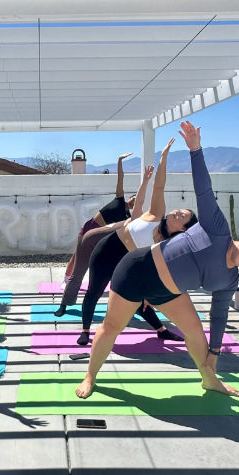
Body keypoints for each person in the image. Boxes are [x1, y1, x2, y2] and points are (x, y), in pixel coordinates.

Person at [75, 120, 239, 399]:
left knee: (195, 330)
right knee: (112, 327)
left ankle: (210, 379)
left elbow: (219, 316)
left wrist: (213, 353)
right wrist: (195, 150)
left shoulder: (229, 280)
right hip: (137, 270)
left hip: (168, 291)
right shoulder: (218, 229)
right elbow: (204, 190)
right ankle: (91, 376)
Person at [73, 138, 197, 345]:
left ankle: (161, 329)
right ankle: (85, 331)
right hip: (108, 251)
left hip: (128, 262)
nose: (176, 212)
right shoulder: (156, 214)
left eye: (182, 215)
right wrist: (163, 157)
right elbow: (160, 186)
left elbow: (159, 268)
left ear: (184, 228)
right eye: (178, 210)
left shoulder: (169, 245)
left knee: (138, 296)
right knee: (94, 290)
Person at [54, 162, 154, 315]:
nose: (135, 203)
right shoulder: (120, 203)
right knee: (78, 270)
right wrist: (141, 177)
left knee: (116, 276)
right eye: (134, 199)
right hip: (89, 237)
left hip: (104, 246)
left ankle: (124, 308)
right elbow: (133, 192)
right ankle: (64, 305)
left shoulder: (132, 218)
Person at [63, 152, 136, 283]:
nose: (133, 202)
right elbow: (121, 178)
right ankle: (66, 280)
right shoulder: (119, 200)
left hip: (100, 235)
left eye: (136, 202)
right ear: (129, 197)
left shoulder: (128, 217)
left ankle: (99, 281)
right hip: (90, 227)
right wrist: (119, 161)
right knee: (77, 257)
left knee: (96, 259)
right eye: (133, 198)